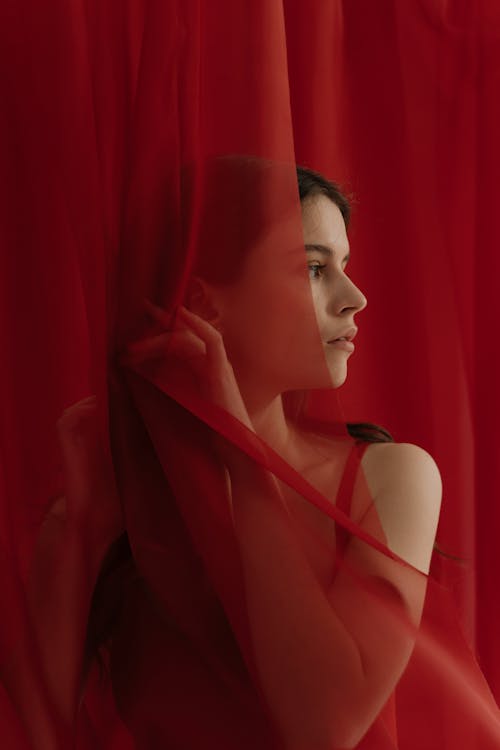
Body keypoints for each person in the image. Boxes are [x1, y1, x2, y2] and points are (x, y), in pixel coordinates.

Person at [49, 160, 439, 749]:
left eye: (345, 266)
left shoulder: (388, 478)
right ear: (204, 301)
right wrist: (78, 528)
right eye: (314, 268)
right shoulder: (114, 501)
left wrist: (240, 448)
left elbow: (324, 727)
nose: (354, 298)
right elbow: (37, 724)